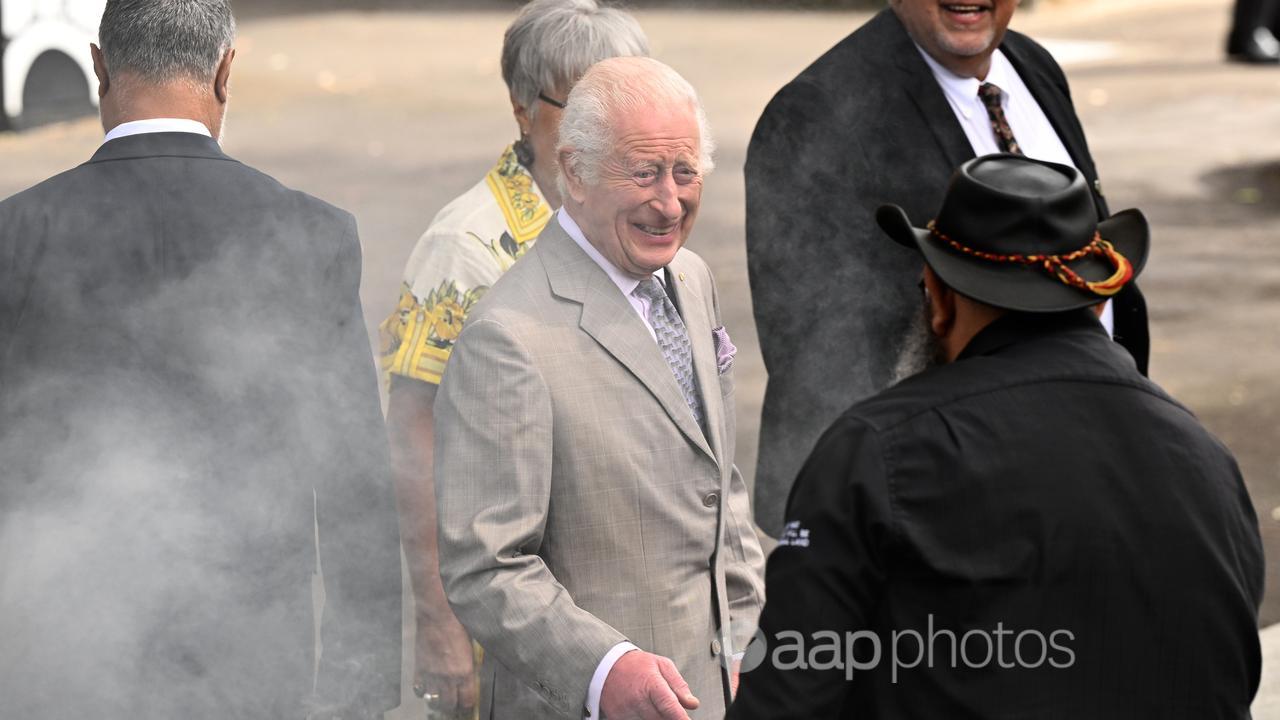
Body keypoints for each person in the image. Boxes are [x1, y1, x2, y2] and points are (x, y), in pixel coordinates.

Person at [727, 155, 1264, 719]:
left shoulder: (877, 449)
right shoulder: (1206, 458)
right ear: (1097, 296)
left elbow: (786, 702)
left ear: (938, 296)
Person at [0, 1, 401, 718]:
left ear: (98, 68)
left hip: (56, 661)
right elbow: (354, 487)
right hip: (252, 671)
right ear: (224, 72)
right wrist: (358, 692)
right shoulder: (311, 235)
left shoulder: (16, 235)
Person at [433, 56, 765, 720]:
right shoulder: (508, 337)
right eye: (642, 173)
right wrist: (603, 670)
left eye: (685, 172)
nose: (669, 202)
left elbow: (715, 479)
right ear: (576, 172)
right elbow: (486, 567)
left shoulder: (692, 278)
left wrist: (740, 631)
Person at [745, 0, 1151, 538]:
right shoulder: (813, 114)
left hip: (1090, 463)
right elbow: (816, 367)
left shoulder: (1033, 66)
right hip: (943, 511)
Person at [377, 1, 649, 716]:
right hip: (512, 622)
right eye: (583, 108)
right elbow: (413, 435)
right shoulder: (466, 246)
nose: (606, 133)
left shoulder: (635, 221)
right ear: (523, 110)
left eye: (623, 105)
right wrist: (438, 623)